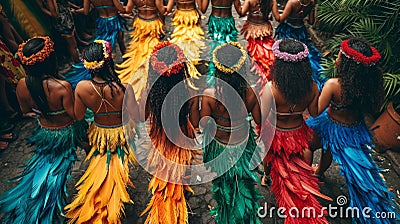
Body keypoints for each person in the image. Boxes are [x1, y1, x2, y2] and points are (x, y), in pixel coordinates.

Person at [306, 38, 399, 223]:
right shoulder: (367, 87)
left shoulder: (333, 85)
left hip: (331, 124)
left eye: (339, 56)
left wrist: (313, 91)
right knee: (328, 150)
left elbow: (315, 110)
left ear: (347, 64)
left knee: (309, 146)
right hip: (353, 130)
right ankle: (318, 172)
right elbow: (371, 110)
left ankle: (306, 181)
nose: (336, 58)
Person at [0, 36, 87, 223]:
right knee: (61, 171)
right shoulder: (62, 87)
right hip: (66, 132)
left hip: (45, 133)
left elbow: (25, 110)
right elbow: (75, 115)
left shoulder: (22, 84)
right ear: (51, 61)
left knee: (44, 168)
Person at [64, 40, 139, 223]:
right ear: (109, 61)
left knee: (104, 164)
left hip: (99, 133)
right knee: (119, 164)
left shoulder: (81, 87)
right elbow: (137, 117)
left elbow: (79, 116)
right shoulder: (123, 88)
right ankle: (113, 199)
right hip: (122, 133)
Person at [259, 38, 331, 223]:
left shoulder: (271, 89)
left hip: (276, 134)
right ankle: (304, 180)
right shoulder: (312, 88)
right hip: (299, 133)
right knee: (300, 159)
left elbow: (261, 117)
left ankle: (267, 177)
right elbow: (314, 112)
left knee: (269, 158)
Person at [200, 42, 263, 223]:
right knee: (245, 184)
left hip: (219, 147)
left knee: (223, 186)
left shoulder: (209, 94)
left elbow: (203, 124)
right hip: (243, 145)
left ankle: (226, 216)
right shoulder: (250, 93)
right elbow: (259, 121)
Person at [139, 41, 201, 224]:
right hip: (183, 138)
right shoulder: (190, 91)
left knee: (161, 172)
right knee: (183, 171)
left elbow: (143, 116)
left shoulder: (150, 92)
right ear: (181, 70)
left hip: (160, 139)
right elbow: (196, 124)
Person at [117, 0, 172, 101]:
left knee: (139, 50)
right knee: (152, 51)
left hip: (140, 22)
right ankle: (150, 78)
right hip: (153, 24)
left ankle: (135, 76)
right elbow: (163, 11)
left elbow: (128, 10)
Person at [271, 0, 326, 90]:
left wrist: (274, 5)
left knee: (288, 53)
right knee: (302, 53)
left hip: (289, 31)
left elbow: (280, 19)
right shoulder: (311, 2)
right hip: (300, 31)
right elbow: (311, 22)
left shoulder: (292, 2)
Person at [199, 0, 241, 85]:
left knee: (214, 49)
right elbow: (240, 11)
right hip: (228, 22)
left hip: (215, 22)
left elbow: (203, 9)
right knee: (229, 51)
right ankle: (229, 76)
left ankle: (214, 76)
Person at [239, 0, 274, 89]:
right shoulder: (272, 1)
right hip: (264, 27)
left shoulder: (250, 0)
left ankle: (257, 68)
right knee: (263, 49)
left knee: (254, 48)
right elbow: (278, 18)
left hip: (252, 28)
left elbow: (241, 13)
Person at [170, 0, 205, 77]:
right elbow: (201, 8)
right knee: (193, 43)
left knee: (180, 42)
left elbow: (169, 9)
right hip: (192, 16)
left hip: (180, 16)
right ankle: (192, 66)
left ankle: (182, 66)